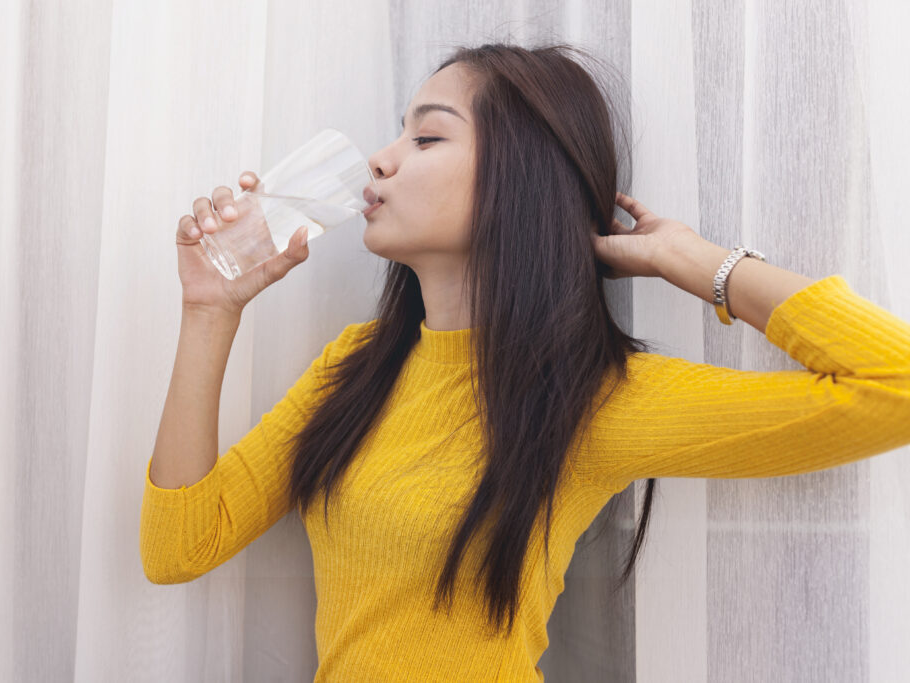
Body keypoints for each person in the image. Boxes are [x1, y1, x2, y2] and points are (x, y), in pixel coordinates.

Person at [141, 42, 910, 681]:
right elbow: (180, 546)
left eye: (427, 137)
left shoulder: (593, 398)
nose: (380, 159)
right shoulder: (355, 368)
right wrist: (211, 309)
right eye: (397, 133)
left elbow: (895, 385)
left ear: (521, 175)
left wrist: (694, 260)